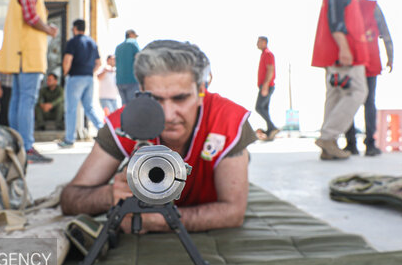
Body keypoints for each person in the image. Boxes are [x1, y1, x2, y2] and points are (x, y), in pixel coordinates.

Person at [60, 40, 257, 234]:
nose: (169, 115)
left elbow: (233, 212)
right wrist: (111, 194)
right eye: (155, 99)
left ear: (201, 92)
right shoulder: (123, 123)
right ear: (142, 92)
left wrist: (161, 221)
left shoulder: (229, 121)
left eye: (180, 98)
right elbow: (70, 198)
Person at [0, 0, 58, 163]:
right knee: (26, 101)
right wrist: (48, 29)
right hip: (28, 54)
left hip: (20, 53)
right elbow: (31, 16)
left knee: (18, 100)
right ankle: (27, 148)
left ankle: (17, 147)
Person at [311, 0, 369, 160]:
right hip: (346, 52)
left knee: (335, 95)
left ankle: (328, 146)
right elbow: (336, 19)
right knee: (357, 92)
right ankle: (328, 136)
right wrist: (344, 48)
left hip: (337, 53)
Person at [344, 0, 394, 157]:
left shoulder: (372, 6)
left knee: (369, 102)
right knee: (348, 101)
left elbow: (385, 32)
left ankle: (370, 143)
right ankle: (350, 142)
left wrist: (390, 55)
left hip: (370, 61)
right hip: (348, 62)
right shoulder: (343, 7)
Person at [59, 19, 104, 148]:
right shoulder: (92, 42)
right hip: (89, 78)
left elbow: (67, 60)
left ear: (74, 28)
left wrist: (65, 73)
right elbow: (99, 63)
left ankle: (69, 140)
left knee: (71, 109)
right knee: (89, 108)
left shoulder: (73, 42)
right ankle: (105, 132)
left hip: (75, 78)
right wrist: (90, 72)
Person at [255, 36, 279, 141]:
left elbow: (270, 70)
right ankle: (270, 131)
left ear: (264, 42)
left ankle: (272, 127)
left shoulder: (268, 54)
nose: (257, 44)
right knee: (264, 109)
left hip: (267, 85)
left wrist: (265, 85)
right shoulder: (264, 54)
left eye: (259, 42)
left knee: (259, 107)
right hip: (266, 85)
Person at [114, 29, 140, 105]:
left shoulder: (118, 47)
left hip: (120, 81)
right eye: (135, 36)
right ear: (131, 35)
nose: (135, 38)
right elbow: (139, 58)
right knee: (133, 106)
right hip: (131, 80)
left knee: (124, 106)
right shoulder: (133, 43)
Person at [0, 51, 12, 127]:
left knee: (13, 111)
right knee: (4, 110)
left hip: (17, 86)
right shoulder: (0, 53)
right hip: (5, 86)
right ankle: (2, 129)